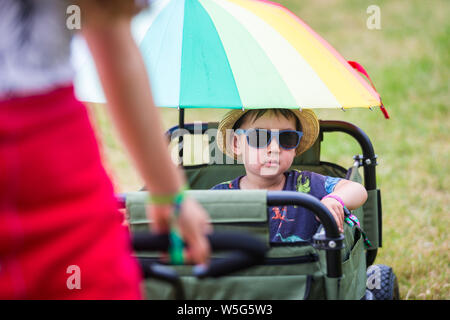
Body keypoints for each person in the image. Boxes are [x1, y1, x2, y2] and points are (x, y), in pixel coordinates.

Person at [0, 0, 211, 299]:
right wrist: (169, 195)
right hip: (51, 151)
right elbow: (114, 46)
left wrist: (169, 193)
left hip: (54, 164)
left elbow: (113, 42)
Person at [212, 108, 368, 243]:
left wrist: (334, 200)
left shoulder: (306, 184)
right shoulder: (219, 197)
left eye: (287, 138)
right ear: (236, 144)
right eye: (259, 137)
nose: (274, 148)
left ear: (295, 147)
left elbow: (357, 189)